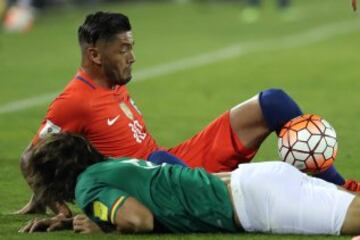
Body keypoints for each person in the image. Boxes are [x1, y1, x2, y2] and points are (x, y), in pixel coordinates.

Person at [16, 11, 360, 215]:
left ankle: (341, 187)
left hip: (180, 160)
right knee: (262, 186)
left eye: (131, 47)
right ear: (94, 55)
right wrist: (54, 202)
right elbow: (32, 155)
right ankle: (328, 203)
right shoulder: (74, 100)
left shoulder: (111, 79)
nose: (132, 56)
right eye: (124, 49)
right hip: (154, 180)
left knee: (274, 102)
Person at [19, 133, 360, 235]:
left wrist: (100, 230)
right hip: (255, 182)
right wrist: (78, 221)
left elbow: (138, 219)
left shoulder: (87, 188)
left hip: (256, 203)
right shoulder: (110, 166)